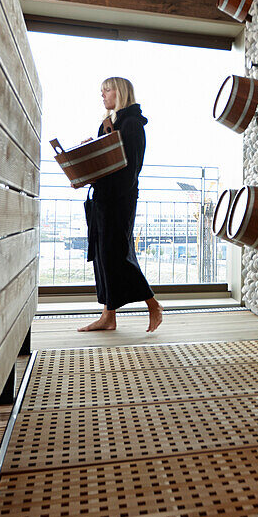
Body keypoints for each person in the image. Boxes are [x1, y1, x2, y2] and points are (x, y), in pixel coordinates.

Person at [79, 77, 163, 333]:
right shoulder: (108, 124)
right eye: (101, 91)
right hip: (103, 198)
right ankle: (108, 316)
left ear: (121, 92)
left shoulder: (133, 124)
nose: (102, 95)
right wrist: (88, 153)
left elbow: (131, 169)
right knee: (103, 257)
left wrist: (109, 186)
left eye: (107, 90)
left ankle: (153, 304)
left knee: (117, 254)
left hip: (120, 199)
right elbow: (105, 162)